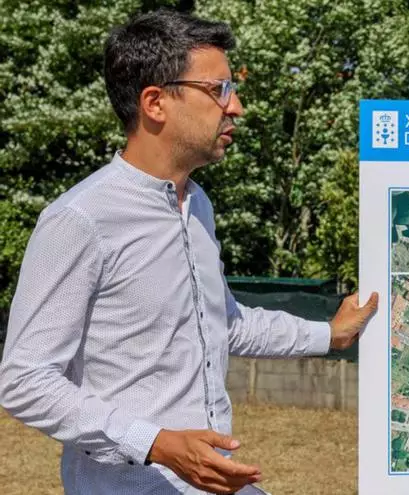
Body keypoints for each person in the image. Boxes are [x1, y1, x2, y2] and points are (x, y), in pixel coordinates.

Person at [0, 9, 377, 494]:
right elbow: (25, 380)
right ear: (155, 103)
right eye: (218, 90)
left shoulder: (197, 205)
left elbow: (224, 322)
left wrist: (330, 334)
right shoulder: (79, 219)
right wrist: (156, 443)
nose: (236, 107)